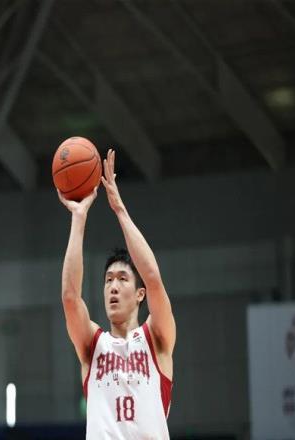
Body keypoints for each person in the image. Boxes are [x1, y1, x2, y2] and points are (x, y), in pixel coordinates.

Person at [58, 149, 176, 439]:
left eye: (122, 279)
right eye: (108, 280)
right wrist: (79, 217)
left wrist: (119, 210)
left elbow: (153, 279)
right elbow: (70, 297)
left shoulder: (156, 338)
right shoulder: (92, 344)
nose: (113, 286)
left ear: (139, 294)